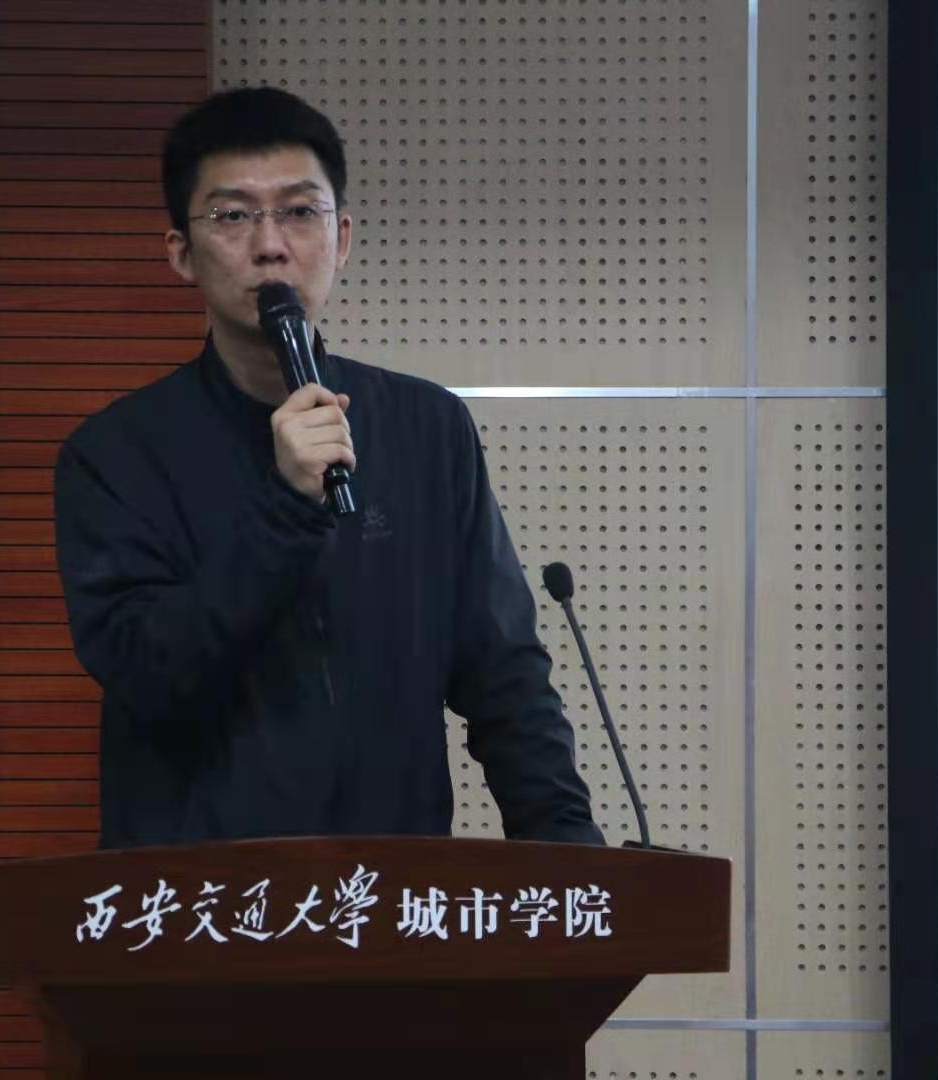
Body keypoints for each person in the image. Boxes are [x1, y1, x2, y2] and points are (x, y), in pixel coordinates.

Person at [53, 86, 605, 849]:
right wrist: (285, 506)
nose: (270, 245)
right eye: (233, 216)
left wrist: (572, 857)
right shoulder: (116, 453)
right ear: (181, 252)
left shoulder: (426, 427)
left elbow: (503, 673)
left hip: (389, 887)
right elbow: (148, 672)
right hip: (203, 897)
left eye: (298, 212)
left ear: (341, 238)